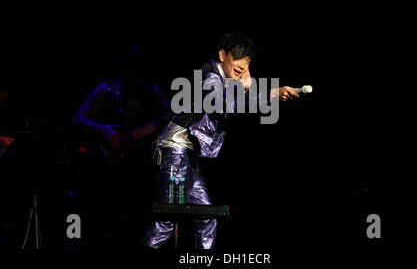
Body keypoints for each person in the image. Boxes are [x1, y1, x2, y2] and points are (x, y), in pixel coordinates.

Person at [142, 32, 301, 249]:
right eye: (239, 58)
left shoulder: (224, 80)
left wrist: (272, 92)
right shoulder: (209, 76)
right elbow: (227, 102)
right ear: (222, 55)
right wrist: (262, 91)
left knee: (208, 217)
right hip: (175, 150)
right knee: (168, 219)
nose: (242, 65)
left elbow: (240, 96)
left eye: (247, 61)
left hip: (189, 155)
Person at [72, 47, 171, 246]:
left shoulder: (153, 92)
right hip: (106, 165)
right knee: (102, 213)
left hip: (139, 165)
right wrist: (104, 131)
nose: (132, 78)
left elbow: (170, 118)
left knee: (137, 217)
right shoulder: (106, 89)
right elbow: (78, 118)